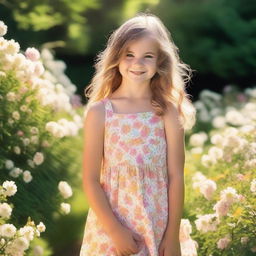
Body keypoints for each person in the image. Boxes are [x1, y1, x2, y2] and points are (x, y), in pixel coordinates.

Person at [79, 12, 196, 256]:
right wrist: (114, 231)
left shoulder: (167, 111)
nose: (137, 64)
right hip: (111, 229)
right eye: (129, 55)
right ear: (117, 57)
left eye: (148, 57)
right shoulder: (100, 112)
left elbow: (176, 176)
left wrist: (172, 236)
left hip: (158, 224)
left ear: (160, 62)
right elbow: (90, 179)